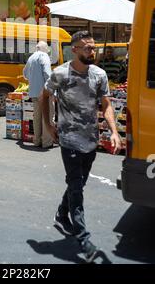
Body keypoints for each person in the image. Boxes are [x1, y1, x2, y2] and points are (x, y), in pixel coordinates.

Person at [40, 30, 121, 263]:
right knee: (77, 187)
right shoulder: (60, 74)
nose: (92, 51)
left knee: (79, 182)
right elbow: (44, 96)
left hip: (91, 140)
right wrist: (48, 124)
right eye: (87, 47)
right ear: (74, 49)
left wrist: (114, 131)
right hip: (69, 140)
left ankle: (61, 212)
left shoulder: (99, 75)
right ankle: (84, 238)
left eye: (93, 47)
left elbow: (106, 105)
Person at [23, 41, 54, 149]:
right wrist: (52, 90)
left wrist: (34, 78)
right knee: (47, 117)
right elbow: (47, 74)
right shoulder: (44, 56)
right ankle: (46, 142)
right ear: (45, 49)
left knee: (37, 117)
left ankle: (36, 141)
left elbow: (25, 74)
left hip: (34, 93)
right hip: (44, 93)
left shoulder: (31, 58)